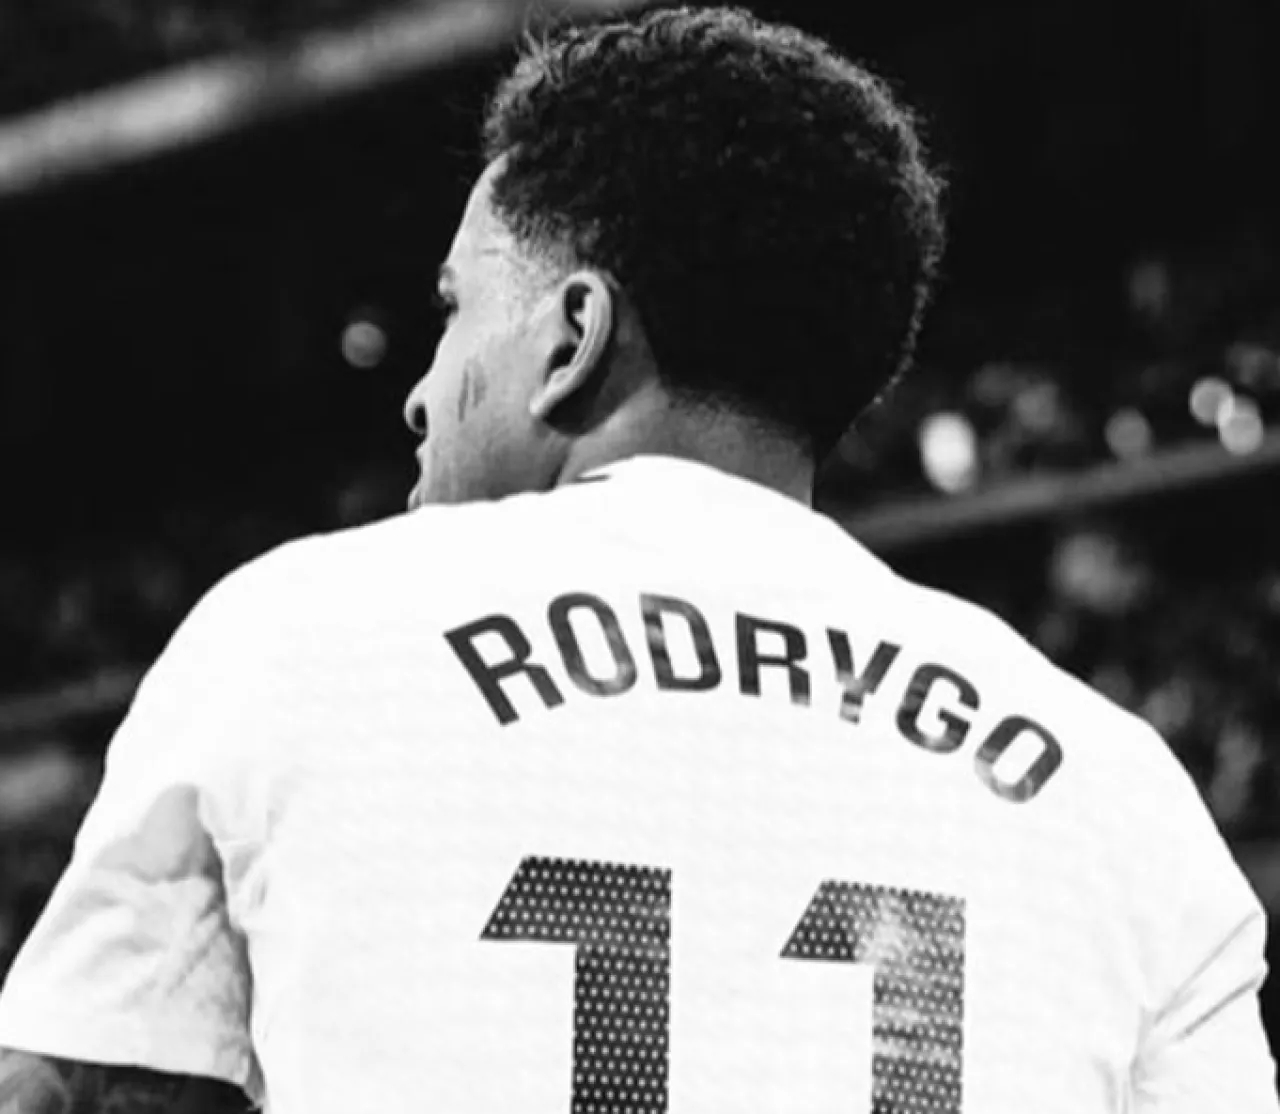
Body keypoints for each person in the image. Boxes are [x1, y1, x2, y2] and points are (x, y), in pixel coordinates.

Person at [0, 4, 1275, 1112]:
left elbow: (68, 1090)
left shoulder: (292, 641)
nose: (420, 392)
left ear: (571, 337)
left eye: (452, 311)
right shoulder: (1124, 801)